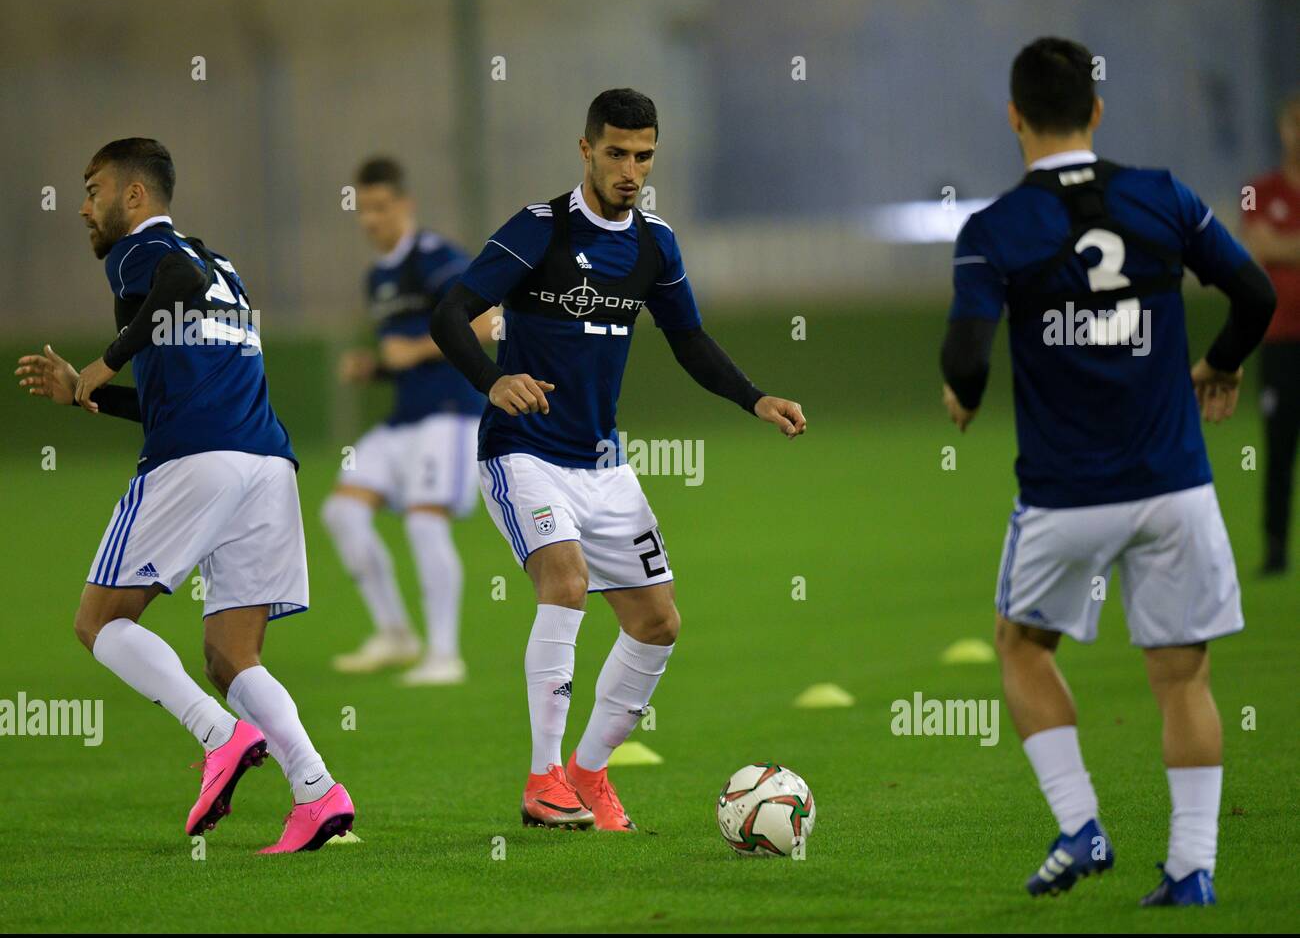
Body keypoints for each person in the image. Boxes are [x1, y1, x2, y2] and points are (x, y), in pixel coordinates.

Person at [940, 40, 1276, 905]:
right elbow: (1257, 296)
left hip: (1065, 495)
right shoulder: (1162, 195)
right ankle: (1192, 868)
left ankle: (1081, 824)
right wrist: (1224, 363)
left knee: (1021, 646)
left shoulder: (994, 230)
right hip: (1175, 487)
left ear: (1014, 116)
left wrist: (963, 396)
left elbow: (968, 351)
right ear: (1096, 111)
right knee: (1183, 677)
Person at [431, 88, 807, 831]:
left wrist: (753, 397)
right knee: (565, 582)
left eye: (643, 155)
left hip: (603, 464)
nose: (630, 169)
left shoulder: (654, 244)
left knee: (658, 622)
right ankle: (542, 779)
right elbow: (447, 312)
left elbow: (689, 340)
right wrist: (493, 379)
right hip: (524, 452)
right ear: (585, 149)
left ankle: (588, 772)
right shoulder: (539, 229)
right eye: (616, 153)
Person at [16, 138, 354, 853]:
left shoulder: (142, 253)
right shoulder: (226, 267)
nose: (82, 207)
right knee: (233, 654)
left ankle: (219, 735)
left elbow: (174, 276)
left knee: (98, 621)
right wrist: (90, 397)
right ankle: (318, 791)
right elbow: (178, 392)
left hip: (197, 462)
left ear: (135, 196)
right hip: (265, 462)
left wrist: (103, 362)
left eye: (93, 189)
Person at [323, 157, 496, 684]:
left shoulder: (436, 257)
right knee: (341, 512)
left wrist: (417, 350)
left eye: (381, 207)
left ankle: (445, 656)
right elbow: (398, 356)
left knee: (424, 521)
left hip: (452, 416)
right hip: (405, 419)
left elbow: (488, 322)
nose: (371, 219)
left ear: (404, 205)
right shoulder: (377, 277)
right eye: (363, 209)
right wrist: (374, 367)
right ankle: (396, 633)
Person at [1241, 91, 1300, 575]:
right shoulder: (1260, 191)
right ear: (1282, 129)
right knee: (1278, 448)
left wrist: (1285, 246)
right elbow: (1258, 246)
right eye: (1294, 122)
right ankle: (1276, 550)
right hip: (1280, 339)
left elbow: (1276, 246)